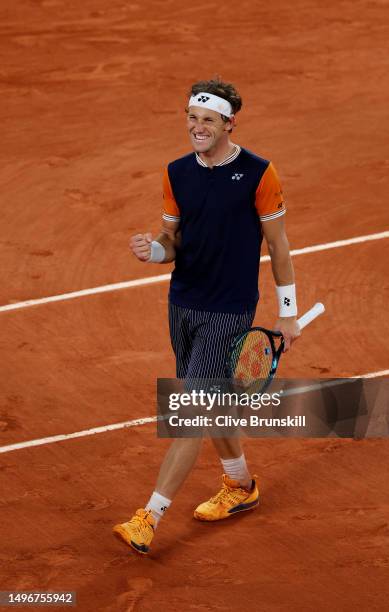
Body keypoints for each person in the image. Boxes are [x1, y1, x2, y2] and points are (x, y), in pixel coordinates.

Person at [113, 78, 300, 555]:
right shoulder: (176, 173)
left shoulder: (260, 173)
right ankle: (240, 485)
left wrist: (287, 313)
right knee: (212, 402)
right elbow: (171, 240)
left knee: (191, 411)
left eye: (208, 121)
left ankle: (149, 517)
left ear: (229, 123)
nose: (197, 128)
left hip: (229, 309)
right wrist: (151, 252)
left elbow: (278, 245)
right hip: (183, 303)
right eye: (192, 118)